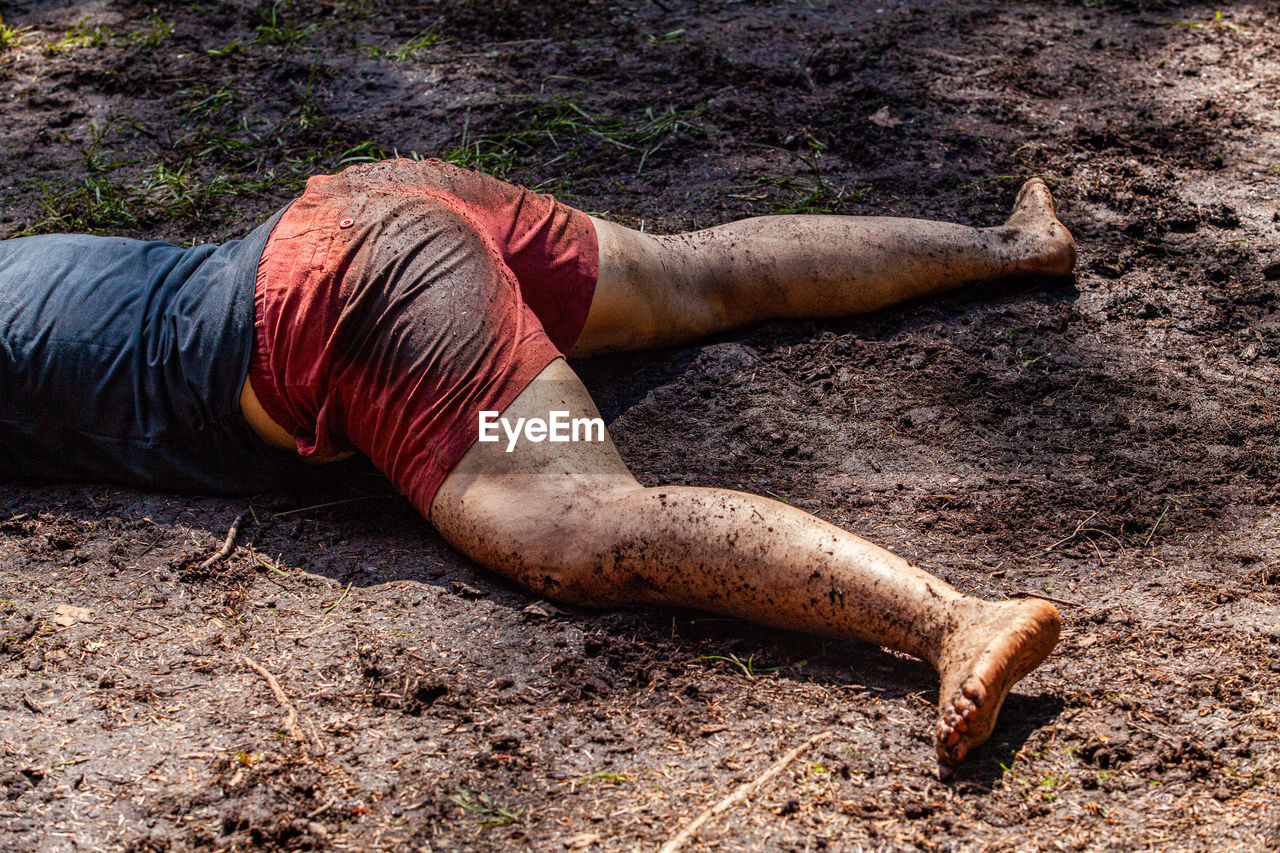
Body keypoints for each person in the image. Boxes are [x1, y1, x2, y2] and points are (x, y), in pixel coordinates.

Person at [0, 159, 1076, 767]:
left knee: (579, 526)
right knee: (699, 278)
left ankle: (952, 619)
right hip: (381, 207)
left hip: (345, 308)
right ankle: (1012, 245)